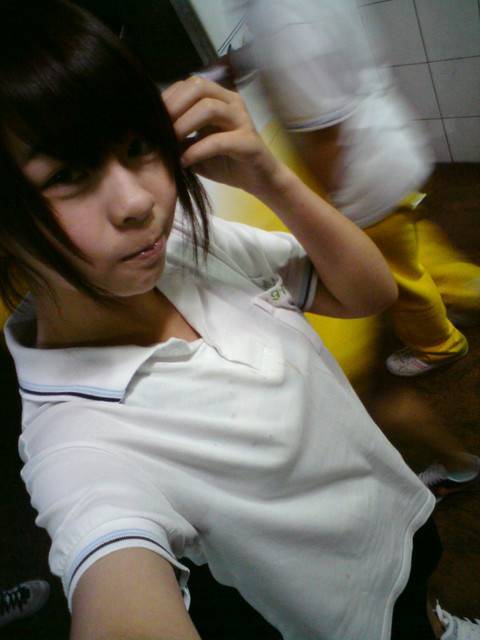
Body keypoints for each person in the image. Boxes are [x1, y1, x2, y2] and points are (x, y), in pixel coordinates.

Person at [0, 1, 478, 639]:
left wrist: (268, 176)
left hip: (399, 511)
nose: (139, 201)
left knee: (425, 604)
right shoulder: (77, 442)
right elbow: (113, 571)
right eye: (67, 174)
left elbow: (368, 292)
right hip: (341, 612)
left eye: (138, 146)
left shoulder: (186, 247)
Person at [231, 0, 480, 377]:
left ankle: (439, 345)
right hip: (388, 149)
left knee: (400, 280)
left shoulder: (281, 17)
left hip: (361, 177)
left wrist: (331, 210)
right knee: (411, 248)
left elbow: (325, 134)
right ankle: (470, 291)